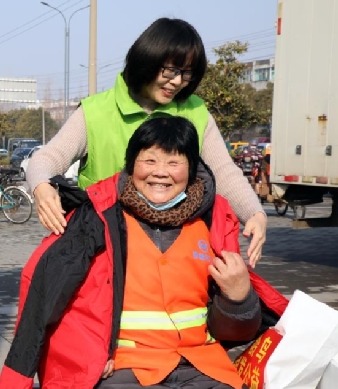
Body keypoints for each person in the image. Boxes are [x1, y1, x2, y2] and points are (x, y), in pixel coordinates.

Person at [0, 117, 288, 389]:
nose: (161, 173)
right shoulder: (95, 221)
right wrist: (87, 355)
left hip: (204, 375)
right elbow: (45, 300)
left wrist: (240, 298)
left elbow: (236, 333)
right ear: (131, 165)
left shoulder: (211, 222)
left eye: (174, 162)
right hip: (121, 381)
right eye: (149, 160)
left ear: (191, 169)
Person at [26, 18, 268, 267]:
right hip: (107, 254)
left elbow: (224, 172)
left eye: (186, 74)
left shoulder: (195, 111)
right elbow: (47, 158)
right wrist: (42, 187)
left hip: (176, 255)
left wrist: (255, 214)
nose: (177, 81)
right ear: (147, 59)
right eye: (171, 70)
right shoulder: (97, 111)